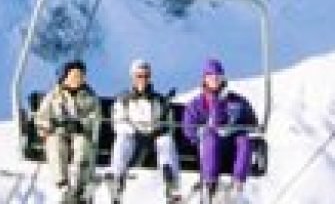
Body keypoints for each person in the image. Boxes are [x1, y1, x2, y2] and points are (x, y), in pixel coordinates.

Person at [182, 57, 259, 201]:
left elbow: (252, 121)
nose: (215, 80)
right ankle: (210, 184)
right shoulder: (197, 104)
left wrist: (236, 127)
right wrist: (203, 131)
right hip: (209, 147)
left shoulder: (236, 101)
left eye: (218, 76)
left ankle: (238, 185)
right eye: (211, 77)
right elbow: (188, 128)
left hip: (231, 146)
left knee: (244, 140)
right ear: (205, 79)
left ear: (223, 78)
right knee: (211, 138)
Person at [110, 57, 182, 203]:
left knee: (166, 142)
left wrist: (159, 129)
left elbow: (169, 123)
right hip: (133, 137)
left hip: (154, 137)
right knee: (122, 140)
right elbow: (118, 122)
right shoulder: (124, 99)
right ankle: (117, 180)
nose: (143, 79)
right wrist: (133, 131)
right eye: (139, 76)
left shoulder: (160, 100)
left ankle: (171, 183)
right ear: (133, 77)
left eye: (146, 76)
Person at [35, 58, 103, 204]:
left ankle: (79, 187)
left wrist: (82, 125)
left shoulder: (90, 96)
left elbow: (95, 117)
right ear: (65, 77)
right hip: (59, 132)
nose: (77, 79)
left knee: (83, 145)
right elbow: (42, 116)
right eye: (73, 76)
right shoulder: (54, 95)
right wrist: (48, 128)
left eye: (81, 76)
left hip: (81, 133)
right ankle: (63, 185)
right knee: (55, 144)